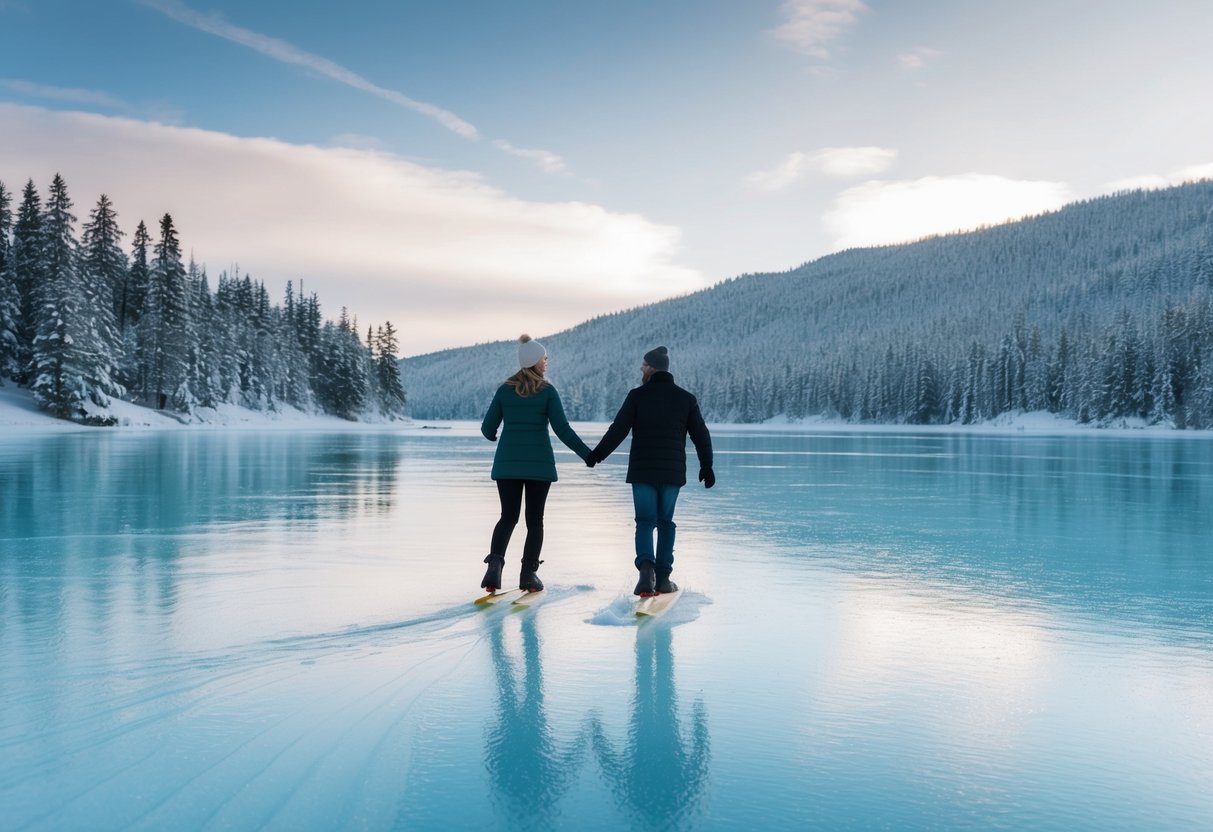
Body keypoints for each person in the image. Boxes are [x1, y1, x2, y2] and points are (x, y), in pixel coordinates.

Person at [587, 346, 714, 596]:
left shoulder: (637, 396)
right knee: (665, 523)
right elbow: (701, 435)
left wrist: (597, 454)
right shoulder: (686, 398)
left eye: (644, 365)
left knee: (645, 522)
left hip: (643, 471)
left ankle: (646, 573)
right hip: (671, 473)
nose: (641, 369)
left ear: (652, 368)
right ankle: (664, 578)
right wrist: (706, 466)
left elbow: (618, 429)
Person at [480, 334, 593, 593]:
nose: (547, 362)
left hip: (507, 466)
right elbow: (563, 430)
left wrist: (495, 434)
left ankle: (494, 568)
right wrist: (587, 454)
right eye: (544, 358)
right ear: (534, 362)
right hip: (539, 467)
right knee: (535, 521)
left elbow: (487, 428)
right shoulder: (547, 392)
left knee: (507, 517)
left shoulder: (504, 390)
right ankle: (528, 574)